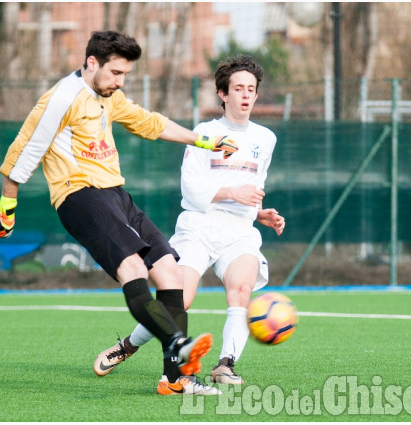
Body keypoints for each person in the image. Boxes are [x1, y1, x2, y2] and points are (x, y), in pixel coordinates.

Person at [0, 31, 238, 395]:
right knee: (134, 269)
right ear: (92, 63)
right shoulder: (60, 99)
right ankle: (177, 344)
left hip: (116, 195)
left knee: (171, 273)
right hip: (79, 196)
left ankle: (175, 379)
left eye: (125, 75)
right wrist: (7, 204)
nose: (120, 82)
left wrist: (202, 140)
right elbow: (24, 149)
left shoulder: (109, 96)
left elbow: (149, 122)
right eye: (116, 73)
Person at [93, 55, 285, 386]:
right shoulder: (205, 132)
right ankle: (128, 345)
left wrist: (259, 213)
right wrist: (231, 192)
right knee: (178, 299)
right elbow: (191, 189)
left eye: (251, 89)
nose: (245, 95)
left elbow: (253, 188)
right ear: (223, 93)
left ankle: (226, 364)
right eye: (238, 88)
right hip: (199, 226)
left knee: (241, 290)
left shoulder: (266, 139)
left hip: (240, 232)